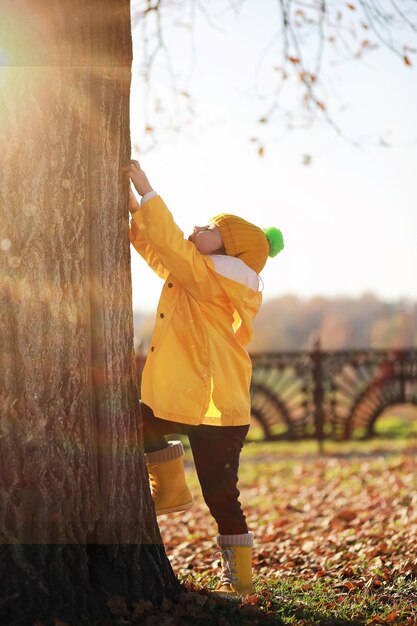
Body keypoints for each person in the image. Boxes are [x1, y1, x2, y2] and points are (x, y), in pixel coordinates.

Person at [123, 159, 284, 597]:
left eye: (211, 228)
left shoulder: (218, 281)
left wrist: (148, 193)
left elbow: (174, 249)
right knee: (141, 421)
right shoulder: (197, 275)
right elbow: (162, 253)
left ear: (229, 249)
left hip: (221, 409)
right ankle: (172, 487)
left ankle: (242, 580)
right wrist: (134, 210)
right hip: (192, 396)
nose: (199, 227)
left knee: (221, 495)